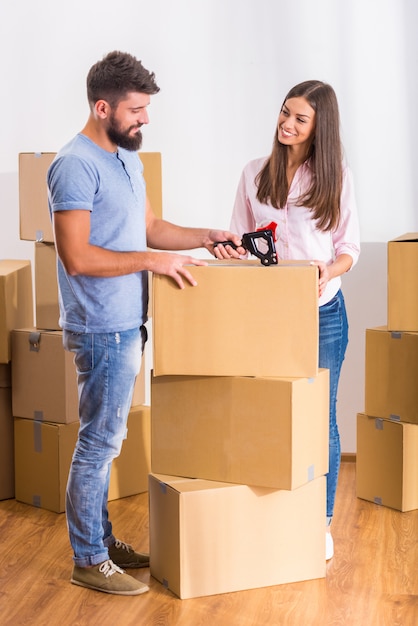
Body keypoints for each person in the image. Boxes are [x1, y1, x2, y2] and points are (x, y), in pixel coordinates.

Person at [47, 50, 244, 596]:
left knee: (108, 438)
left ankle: (102, 542)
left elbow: (150, 226)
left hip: (129, 321)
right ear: (103, 106)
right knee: (100, 443)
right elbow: (78, 257)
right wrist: (153, 262)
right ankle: (87, 558)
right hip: (100, 325)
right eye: (137, 110)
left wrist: (206, 235)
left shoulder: (126, 159)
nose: (145, 120)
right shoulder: (74, 163)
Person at [229, 80, 360, 561]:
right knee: (267, 410)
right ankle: (268, 511)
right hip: (267, 315)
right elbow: (242, 242)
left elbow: (349, 249)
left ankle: (319, 521)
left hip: (322, 313)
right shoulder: (253, 173)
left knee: (319, 418)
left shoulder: (336, 177)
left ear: (318, 127)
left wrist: (328, 270)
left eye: (299, 118)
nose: (287, 123)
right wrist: (234, 250)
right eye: (285, 113)